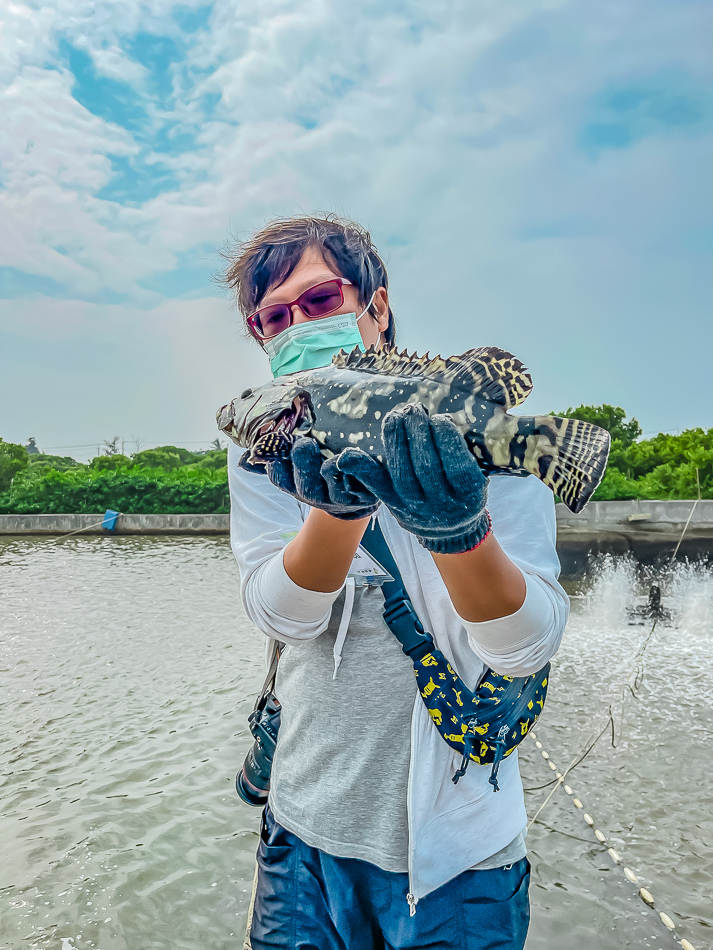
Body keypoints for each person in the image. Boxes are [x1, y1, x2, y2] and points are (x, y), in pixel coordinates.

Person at [225, 215, 569, 950]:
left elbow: (525, 646)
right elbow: (280, 616)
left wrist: (456, 531)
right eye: (273, 318)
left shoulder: (472, 427)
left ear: (375, 306)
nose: (296, 326)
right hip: (300, 840)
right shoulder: (264, 448)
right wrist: (335, 512)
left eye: (318, 301)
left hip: (457, 863)